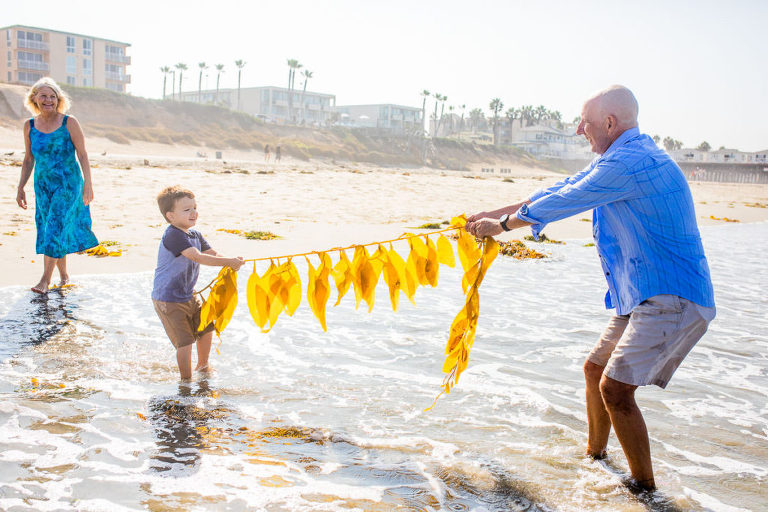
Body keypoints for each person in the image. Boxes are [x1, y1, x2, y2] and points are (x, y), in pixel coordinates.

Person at [466, 85, 715, 491]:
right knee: (595, 369)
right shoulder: (620, 157)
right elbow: (558, 190)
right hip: (642, 295)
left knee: (614, 388)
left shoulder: (630, 163)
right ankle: (595, 458)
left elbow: (572, 199)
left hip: (674, 297)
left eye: (585, 122)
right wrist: (490, 214)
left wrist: (505, 227)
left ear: (611, 123)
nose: (580, 129)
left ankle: (644, 491)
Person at [151, 185, 244, 380]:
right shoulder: (173, 235)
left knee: (206, 327)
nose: (194, 213)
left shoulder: (195, 234)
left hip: (189, 294)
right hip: (168, 299)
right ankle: (186, 381)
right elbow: (197, 257)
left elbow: (212, 254)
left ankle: (202, 367)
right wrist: (228, 262)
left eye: (194, 207)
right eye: (187, 210)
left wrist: (230, 261)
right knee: (184, 341)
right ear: (170, 216)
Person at [16, 77, 99, 294]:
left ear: (58, 100)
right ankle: (64, 276)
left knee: (54, 225)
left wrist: (88, 183)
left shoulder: (68, 122)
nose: (48, 100)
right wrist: (20, 187)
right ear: (34, 98)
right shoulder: (29, 126)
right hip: (42, 186)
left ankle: (45, 280)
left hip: (68, 184)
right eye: (43, 95)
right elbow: (28, 159)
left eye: (53, 96)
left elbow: (82, 154)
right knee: (52, 228)